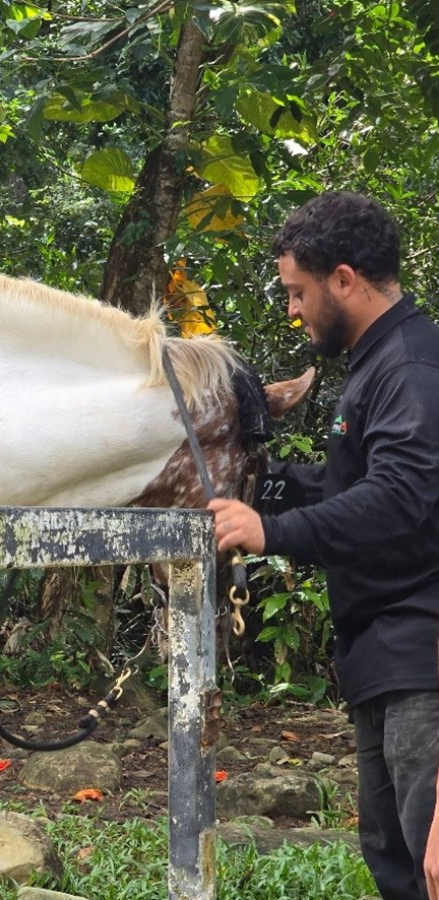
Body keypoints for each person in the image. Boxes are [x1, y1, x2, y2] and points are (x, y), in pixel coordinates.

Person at [208, 191, 439, 900]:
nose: (292, 310)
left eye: (297, 291)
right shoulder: (378, 364)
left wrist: (272, 532)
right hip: (380, 661)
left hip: (420, 662)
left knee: (424, 865)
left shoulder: (409, 366)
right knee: (392, 861)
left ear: (344, 279)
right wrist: (260, 484)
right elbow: (350, 482)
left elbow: (402, 497)